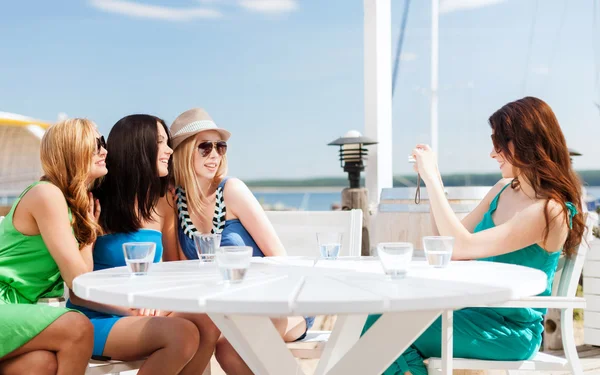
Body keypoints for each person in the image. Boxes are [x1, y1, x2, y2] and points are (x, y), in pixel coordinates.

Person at [363, 96, 586, 375]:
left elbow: (460, 247)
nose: (493, 154)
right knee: (378, 322)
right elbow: (447, 242)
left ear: (524, 142)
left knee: (382, 326)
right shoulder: (503, 189)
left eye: (498, 143)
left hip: (509, 331)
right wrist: (436, 184)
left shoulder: (549, 211)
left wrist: (432, 178)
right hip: (471, 312)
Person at [67, 114, 219, 375]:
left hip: (146, 313)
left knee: (209, 322)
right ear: (137, 148)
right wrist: (130, 309)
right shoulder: (94, 204)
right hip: (96, 317)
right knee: (181, 335)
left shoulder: (162, 202)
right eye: (161, 142)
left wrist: (162, 304)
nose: (170, 150)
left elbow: (174, 269)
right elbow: (78, 290)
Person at [168, 108, 314, 374]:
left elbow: (279, 257)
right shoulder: (175, 201)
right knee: (202, 336)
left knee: (230, 346)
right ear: (182, 152)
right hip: (225, 312)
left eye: (220, 147)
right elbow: (182, 271)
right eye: (205, 147)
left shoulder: (232, 190)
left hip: (275, 304)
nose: (214, 154)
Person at [0, 118, 101, 374]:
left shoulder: (67, 205)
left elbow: (81, 288)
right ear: (73, 151)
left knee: (42, 365)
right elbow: (78, 279)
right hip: (5, 305)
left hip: (18, 310)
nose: (105, 151)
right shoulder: (47, 194)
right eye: (96, 144)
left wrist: (87, 234)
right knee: (77, 327)